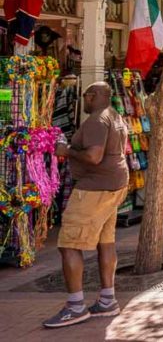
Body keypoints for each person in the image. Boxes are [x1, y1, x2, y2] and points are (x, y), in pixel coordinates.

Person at [45, 83, 129, 328]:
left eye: (85, 96)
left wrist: (66, 150)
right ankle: (107, 300)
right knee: (106, 241)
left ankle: (76, 306)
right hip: (115, 184)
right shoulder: (115, 116)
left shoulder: (95, 120)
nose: (84, 100)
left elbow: (93, 156)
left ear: (92, 97)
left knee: (68, 243)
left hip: (94, 188)